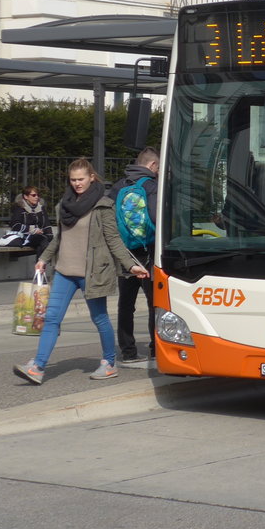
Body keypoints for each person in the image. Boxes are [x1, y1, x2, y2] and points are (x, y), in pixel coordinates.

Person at [13, 158, 148, 385]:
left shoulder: (103, 205)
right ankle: (37, 367)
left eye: (81, 179)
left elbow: (113, 239)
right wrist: (44, 259)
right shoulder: (64, 205)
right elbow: (60, 237)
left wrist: (131, 265)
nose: (76, 183)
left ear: (91, 177)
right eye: (73, 179)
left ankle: (109, 363)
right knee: (52, 319)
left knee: (100, 318)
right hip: (65, 271)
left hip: (91, 272)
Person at [108, 146, 159, 368]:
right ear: (153, 165)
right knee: (154, 303)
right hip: (149, 253)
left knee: (126, 304)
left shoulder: (119, 185)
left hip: (125, 254)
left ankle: (128, 351)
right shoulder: (151, 186)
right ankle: (156, 349)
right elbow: (157, 218)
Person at [7, 185, 53, 250]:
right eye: (33, 195)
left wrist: (49, 236)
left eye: (38, 195)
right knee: (42, 241)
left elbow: (46, 225)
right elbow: (15, 225)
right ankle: (42, 260)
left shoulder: (41, 208)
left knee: (47, 242)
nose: (37, 197)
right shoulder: (20, 208)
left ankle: (40, 260)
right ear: (26, 196)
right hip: (23, 237)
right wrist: (32, 229)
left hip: (39, 237)